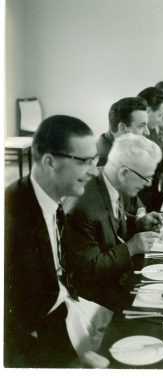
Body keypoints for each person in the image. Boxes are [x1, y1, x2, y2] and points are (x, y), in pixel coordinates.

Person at [5, 115, 112, 368]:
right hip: (35, 337)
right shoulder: (10, 220)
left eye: (95, 161)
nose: (94, 171)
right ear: (49, 161)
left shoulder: (54, 199)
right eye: (84, 162)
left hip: (63, 306)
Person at [64, 134, 163, 311]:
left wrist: (139, 223)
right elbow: (85, 271)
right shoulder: (83, 207)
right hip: (94, 299)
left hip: (114, 278)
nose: (148, 185)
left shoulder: (111, 181)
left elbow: (109, 226)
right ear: (124, 173)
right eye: (145, 178)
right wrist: (131, 248)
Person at [97, 96, 149, 166]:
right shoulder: (107, 163)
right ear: (122, 128)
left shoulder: (119, 149)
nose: (147, 132)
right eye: (141, 126)